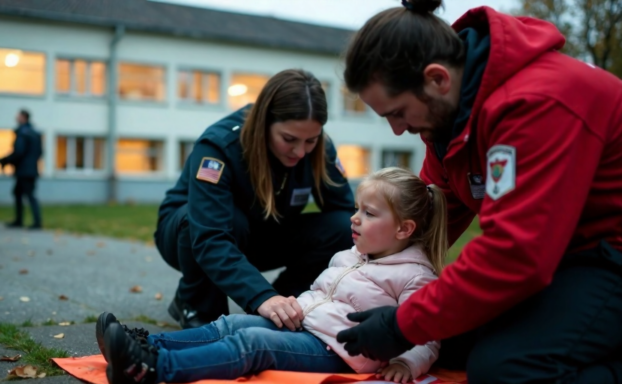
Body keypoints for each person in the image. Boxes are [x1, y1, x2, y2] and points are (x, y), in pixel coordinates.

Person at [335, 1, 622, 383]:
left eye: (397, 112)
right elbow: (433, 216)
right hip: (565, 255)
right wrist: (372, 279)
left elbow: (517, 254)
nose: (397, 130)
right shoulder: (450, 123)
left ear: (438, 79)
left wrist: (400, 324)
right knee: (447, 342)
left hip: (606, 255)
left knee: (505, 369)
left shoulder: (537, 103)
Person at [98, 167, 448, 384]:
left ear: (404, 229)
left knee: (254, 345)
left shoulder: (415, 275)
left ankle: (154, 368)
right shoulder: (352, 254)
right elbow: (322, 293)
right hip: (307, 327)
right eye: (356, 209)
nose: (354, 218)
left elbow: (428, 334)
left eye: (368, 213)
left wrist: (406, 362)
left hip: (336, 349)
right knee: (233, 325)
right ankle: (142, 346)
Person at [154, 69, 355, 330]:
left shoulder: (320, 149)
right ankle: (196, 304)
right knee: (228, 222)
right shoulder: (219, 146)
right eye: (289, 139)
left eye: (310, 141)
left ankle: (284, 304)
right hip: (194, 235)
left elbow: (346, 213)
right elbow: (210, 235)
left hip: (263, 233)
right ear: (264, 123)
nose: (300, 151)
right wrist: (260, 296)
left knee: (344, 227)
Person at [0, 109, 43, 230]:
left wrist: (5, 161)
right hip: (32, 169)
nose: (16, 118)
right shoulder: (35, 133)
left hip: (24, 170)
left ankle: (34, 222)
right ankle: (21, 220)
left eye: (18, 116)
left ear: (23, 117)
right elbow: (40, 152)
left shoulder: (23, 133)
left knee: (28, 195)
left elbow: (18, 152)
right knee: (20, 193)